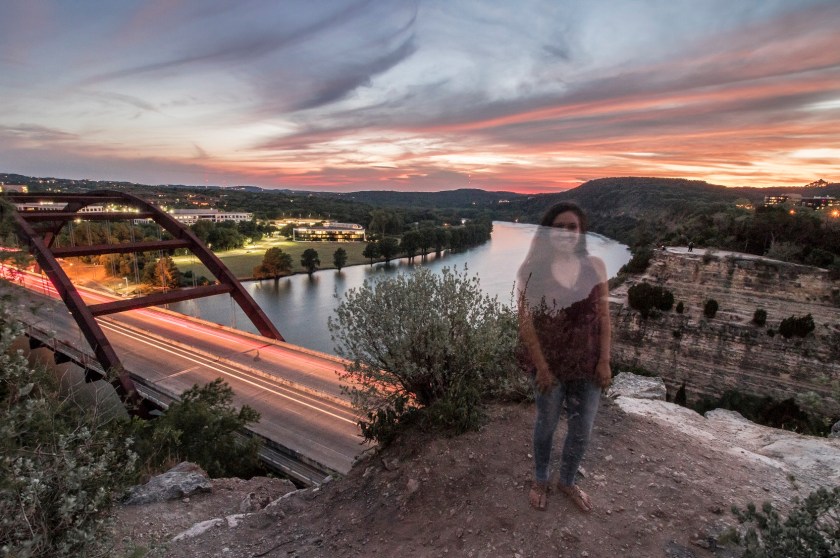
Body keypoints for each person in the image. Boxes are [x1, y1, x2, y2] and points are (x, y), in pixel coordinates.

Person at [516, 202, 612, 512]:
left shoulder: (596, 266)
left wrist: (605, 360)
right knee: (545, 426)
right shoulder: (531, 270)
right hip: (549, 365)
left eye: (572, 227)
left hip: (588, 364)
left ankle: (567, 481)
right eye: (559, 226)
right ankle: (541, 478)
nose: (565, 233)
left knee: (581, 429)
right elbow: (526, 322)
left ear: (581, 232)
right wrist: (542, 369)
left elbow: (605, 317)